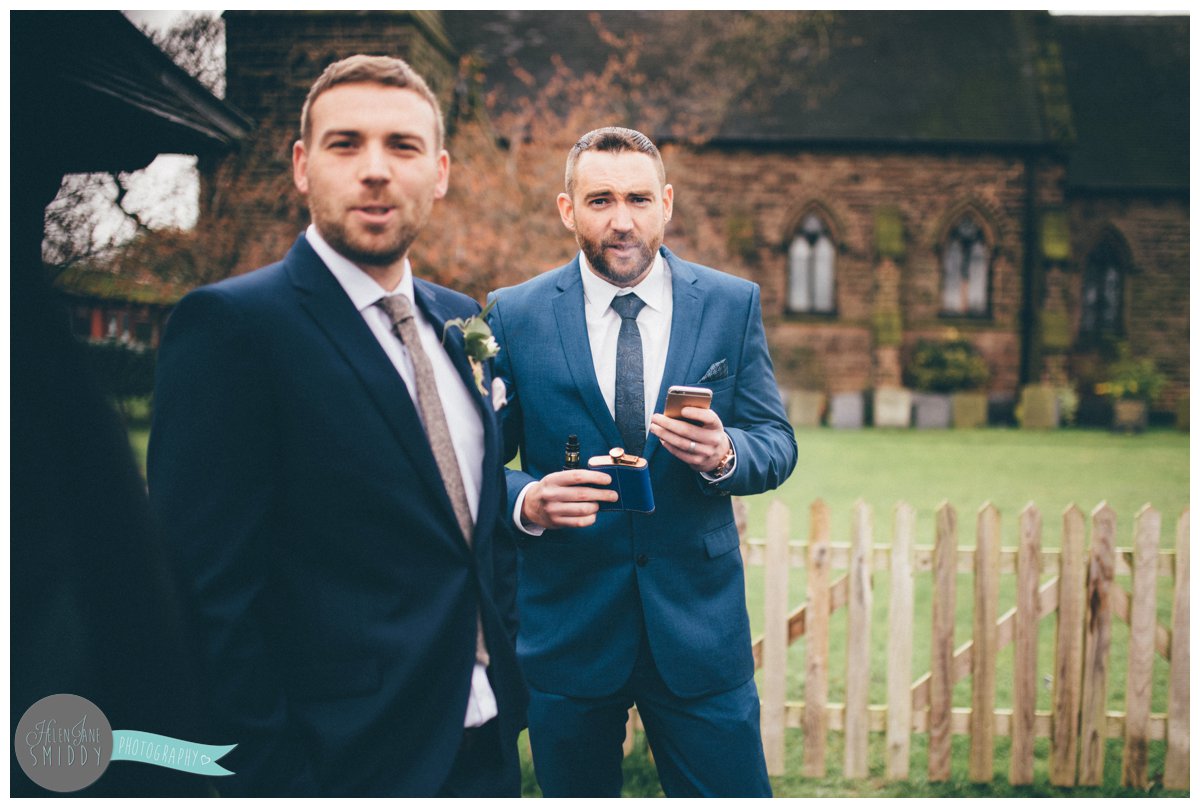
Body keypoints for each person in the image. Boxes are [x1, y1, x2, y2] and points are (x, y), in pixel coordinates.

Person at [148, 55, 526, 797]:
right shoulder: (233, 330)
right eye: (346, 144)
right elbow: (204, 598)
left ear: (441, 171)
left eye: (403, 146)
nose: (375, 170)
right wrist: (272, 775)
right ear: (302, 165)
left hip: (483, 747)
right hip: (338, 763)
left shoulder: (459, 322)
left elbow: (471, 536)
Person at [487, 126, 797, 797]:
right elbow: (475, 463)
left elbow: (775, 440)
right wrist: (527, 500)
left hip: (699, 629)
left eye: (637, 199)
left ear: (667, 203)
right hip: (567, 629)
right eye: (599, 201)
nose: (621, 221)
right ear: (567, 209)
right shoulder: (513, 315)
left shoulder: (730, 303)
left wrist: (726, 453)